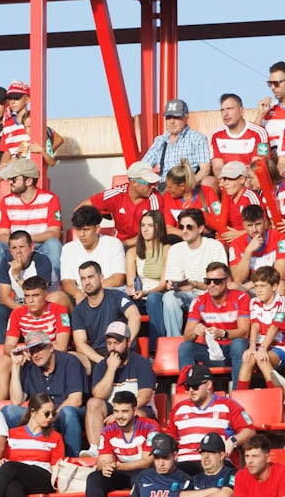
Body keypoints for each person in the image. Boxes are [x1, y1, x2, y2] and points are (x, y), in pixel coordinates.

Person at [1, 332, 87, 456]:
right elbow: (16, 401)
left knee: (67, 412)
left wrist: (49, 416)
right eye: (32, 351)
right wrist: (15, 365)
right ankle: (16, 455)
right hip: (41, 416)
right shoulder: (30, 368)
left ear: (51, 347)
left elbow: (76, 400)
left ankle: (71, 459)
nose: (36, 355)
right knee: (8, 411)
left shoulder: (69, 361)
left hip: (66, 414)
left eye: (39, 349)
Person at [0, 393, 66, 497]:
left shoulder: (55, 437)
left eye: (53, 414)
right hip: (17, 475)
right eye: (46, 413)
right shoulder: (12, 434)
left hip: (43, 478)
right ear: (33, 412)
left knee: (10, 467)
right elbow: (3, 460)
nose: (50, 418)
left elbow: (56, 466)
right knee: (13, 487)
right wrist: (2, 461)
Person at [157, 209, 229, 337]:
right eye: (181, 227)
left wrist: (195, 284)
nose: (184, 231)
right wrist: (174, 285)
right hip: (188, 296)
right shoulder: (176, 249)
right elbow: (177, 282)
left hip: (211, 296)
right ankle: (174, 340)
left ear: (200, 229)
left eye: (189, 227)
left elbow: (220, 283)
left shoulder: (215, 246)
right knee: (169, 297)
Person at [171, 365, 254, 468]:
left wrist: (232, 441)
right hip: (184, 465)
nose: (191, 390)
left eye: (195, 386)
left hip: (217, 465)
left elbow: (249, 430)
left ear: (209, 384)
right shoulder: (179, 408)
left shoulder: (228, 405)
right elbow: (170, 437)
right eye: (188, 387)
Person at [181, 260, 251, 383]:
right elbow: (187, 336)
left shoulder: (241, 297)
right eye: (208, 281)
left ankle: (238, 392)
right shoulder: (199, 301)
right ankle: (189, 389)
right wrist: (195, 331)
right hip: (212, 351)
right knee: (186, 347)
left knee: (238, 343)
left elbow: (244, 332)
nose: (211, 285)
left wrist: (223, 333)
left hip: (234, 351)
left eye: (217, 281)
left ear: (228, 281)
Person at [0, 158, 63, 273]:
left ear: (28, 181)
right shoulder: (6, 201)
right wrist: (19, 245)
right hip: (14, 248)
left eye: (14, 179)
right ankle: (0, 287)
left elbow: (54, 233)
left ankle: (53, 286)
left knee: (54, 244)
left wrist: (26, 240)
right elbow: (2, 235)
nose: (10, 182)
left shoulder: (50, 199)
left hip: (39, 247)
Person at [71, 264, 140, 370]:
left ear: (101, 278)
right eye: (83, 279)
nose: (87, 282)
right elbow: (80, 344)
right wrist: (103, 362)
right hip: (97, 355)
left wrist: (126, 342)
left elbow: (134, 316)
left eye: (90, 277)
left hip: (120, 349)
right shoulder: (78, 310)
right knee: (70, 359)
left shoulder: (116, 296)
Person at [136, 97, 212, 183]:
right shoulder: (159, 141)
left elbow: (205, 170)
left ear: (186, 118)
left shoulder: (197, 138)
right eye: (168, 117)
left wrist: (188, 185)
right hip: (163, 188)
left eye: (176, 117)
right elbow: (142, 168)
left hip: (186, 187)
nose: (171, 121)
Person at [60, 206, 127, 300]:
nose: (81, 234)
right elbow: (67, 282)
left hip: (107, 294)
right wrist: (79, 295)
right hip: (80, 297)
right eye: (78, 230)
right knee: (56, 297)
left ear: (97, 229)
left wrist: (92, 292)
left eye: (86, 230)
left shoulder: (114, 244)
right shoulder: (68, 249)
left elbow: (118, 279)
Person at [88, 162, 163, 243]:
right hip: (119, 244)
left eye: (155, 183)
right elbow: (80, 210)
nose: (153, 186)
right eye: (149, 183)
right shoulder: (116, 194)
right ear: (134, 182)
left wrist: (125, 244)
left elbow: (156, 232)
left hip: (145, 245)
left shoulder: (155, 198)